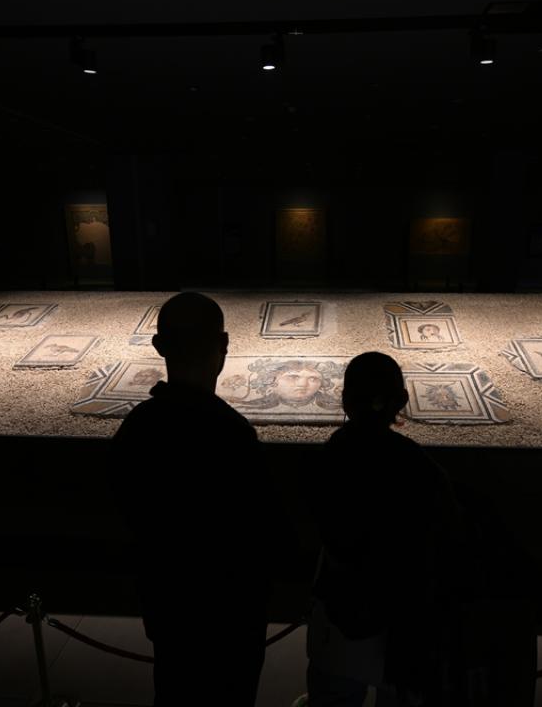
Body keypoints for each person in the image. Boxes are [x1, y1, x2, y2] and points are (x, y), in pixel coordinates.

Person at [111, 292, 276, 706]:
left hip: (168, 608)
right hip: (229, 617)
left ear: (158, 346)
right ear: (223, 346)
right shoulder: (234, 436)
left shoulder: (137, 429)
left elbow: (128, 514)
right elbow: (263, 535)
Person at [304, 352, 460, 707]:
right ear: (401, 401)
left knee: (333, 694)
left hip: (342, 617)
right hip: (404, 625)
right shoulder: (422, 468)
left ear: (344, 400)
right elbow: (447, 537)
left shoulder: (328, 459)